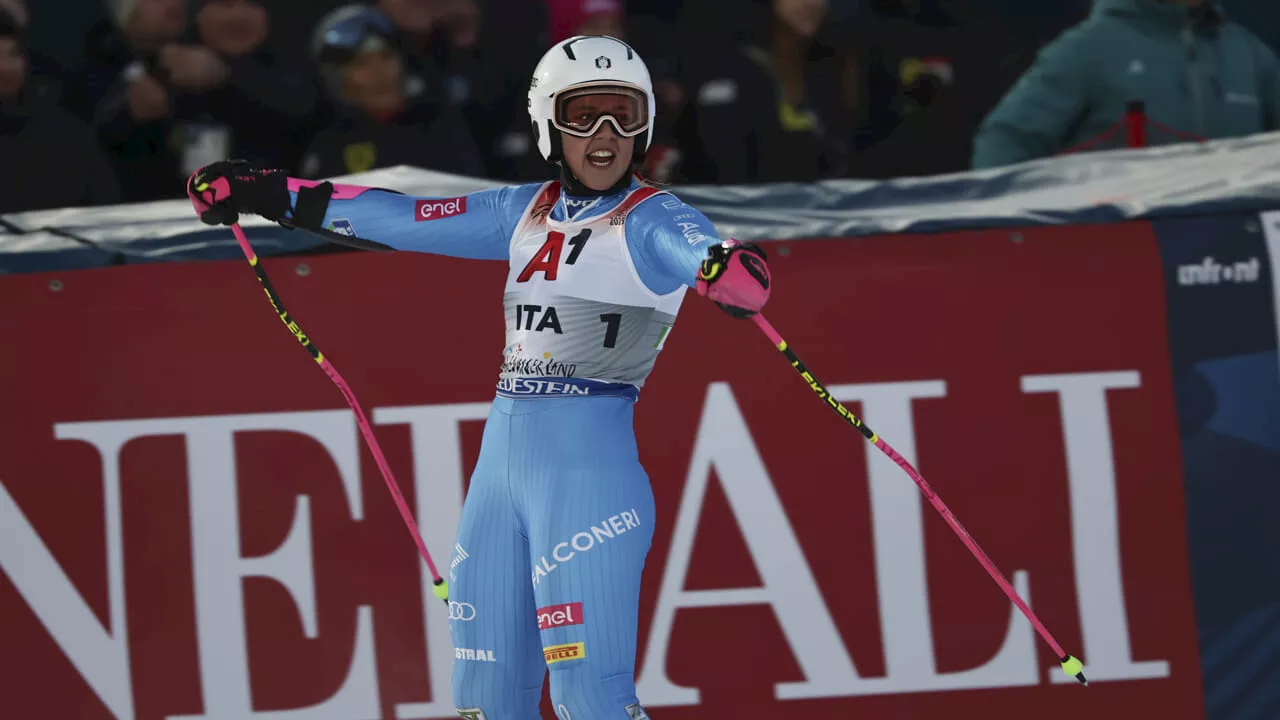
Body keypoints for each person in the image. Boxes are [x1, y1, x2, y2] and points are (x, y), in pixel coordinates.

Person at [184, 34, 772, 718]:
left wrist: (729, 270)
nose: (607, 134)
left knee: (590, 697)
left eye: (624, 114)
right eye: (584, 115)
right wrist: (268, 192)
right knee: (485, 700)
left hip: (588, 487)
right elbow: (400, 217)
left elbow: (708, 254)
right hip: (498, 481)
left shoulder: (650, 218)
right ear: (549, 123)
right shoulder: (519, 211)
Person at [971, 0, 1280, 169]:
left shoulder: (1249, 53)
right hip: (1121, 258)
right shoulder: (1090, 48)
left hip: (1234, 262)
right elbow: (1007, 140)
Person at [298, 4, 486, 179]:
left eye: (386, 57)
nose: (379, 73)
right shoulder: (328, 146)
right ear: (336, 80)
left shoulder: (441, 126)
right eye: (362, 63)